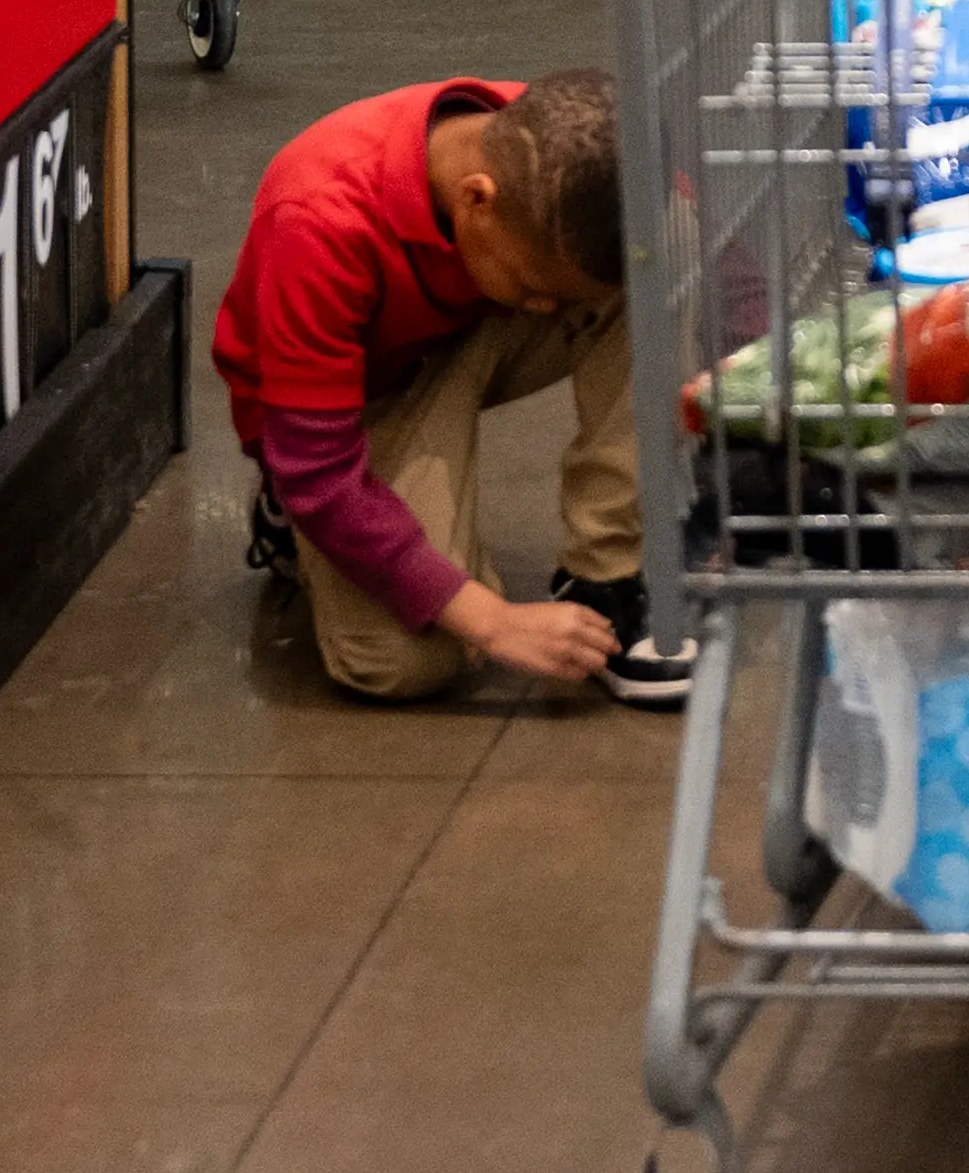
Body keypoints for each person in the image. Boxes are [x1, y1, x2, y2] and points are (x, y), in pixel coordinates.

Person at [211, 64, 686, 708]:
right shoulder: (316, 219)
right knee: (402, 662)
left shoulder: (557, 143)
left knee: (666, 243)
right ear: (477, 198)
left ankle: (607, 575)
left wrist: (740, 387)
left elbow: (699, 222)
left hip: (464, 326)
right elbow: (321, 473)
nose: (545, 311)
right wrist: (494, 621)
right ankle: (285, 515)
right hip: (358, 399)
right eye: (533, 289)